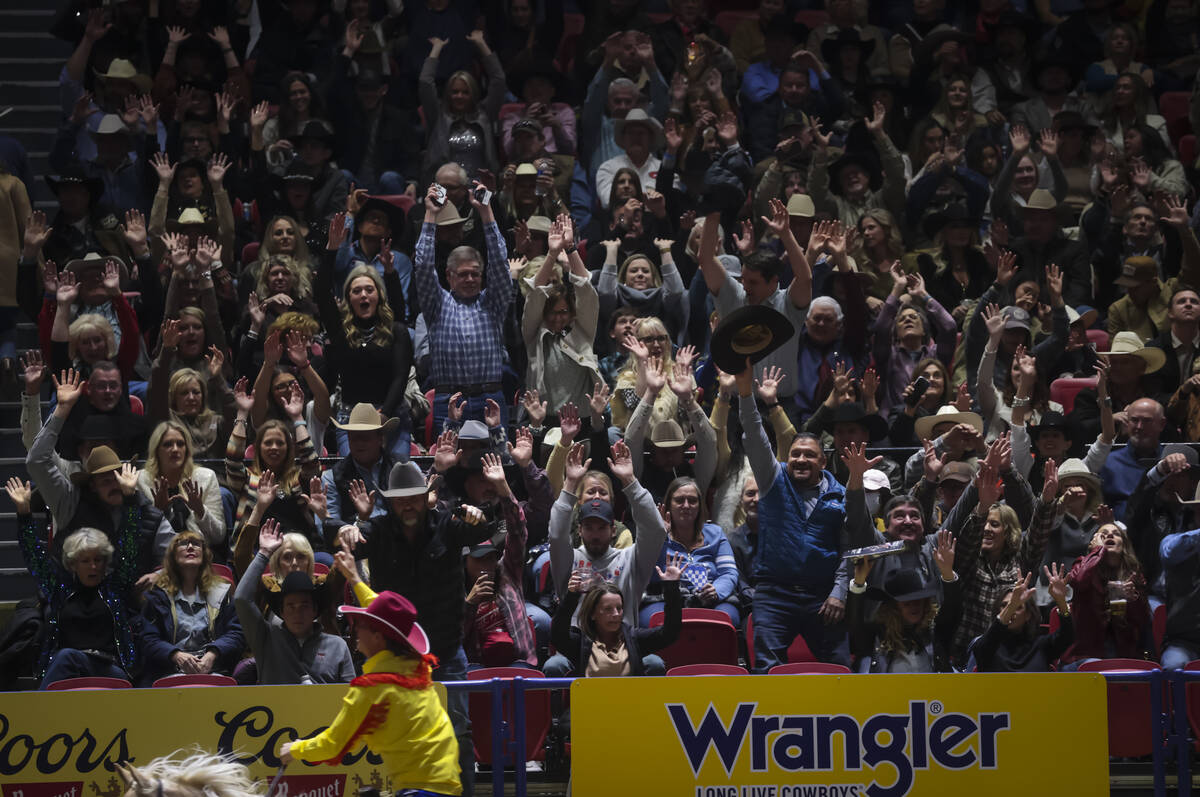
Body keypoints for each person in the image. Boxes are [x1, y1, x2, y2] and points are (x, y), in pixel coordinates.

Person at [334, 460, 493, 795]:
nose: (407, 504)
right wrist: (347, 528)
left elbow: (483, 531)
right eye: (400, 498)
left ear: (425, 497)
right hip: (396, 658)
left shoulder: (447, 526)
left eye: (414, 497)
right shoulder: (376, 530)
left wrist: (481, 516)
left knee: (459, 731)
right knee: (394, 732)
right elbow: (345, 540)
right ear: (390, 502)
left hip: (445, 654)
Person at [280, 549, 461, 797]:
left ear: (377, 637)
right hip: (447, 786)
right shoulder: (417, 664)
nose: (355, 628)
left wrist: (297, 749)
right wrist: (354, 578)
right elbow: (389, 619)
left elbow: (333, 743)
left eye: (361, 624)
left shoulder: (373, 690)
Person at [736, 355, 876, 670]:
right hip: (774, 595)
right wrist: (747, 394)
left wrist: (839, 593)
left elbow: (848, 550)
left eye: (809, 455)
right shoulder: (773, 480)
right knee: (767, 671)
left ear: (823, 462)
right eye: (795, 454)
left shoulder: (841, 495)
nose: (800, 460)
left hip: (822, 596)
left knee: (839, 669)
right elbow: (756, 437)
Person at [7, 469, 142, 688]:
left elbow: (130, 544)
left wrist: (130, 498)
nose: (93, 566)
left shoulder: (114, 588)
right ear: (72, 564)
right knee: (66, 657)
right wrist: (24, 512)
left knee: (72, 659)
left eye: (98, 560)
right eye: (85, 561)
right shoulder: (59, 590)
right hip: (66, 666)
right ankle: (37, 716)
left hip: (110, 666)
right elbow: (35, 558)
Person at [414, 181, 512, 432]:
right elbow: (423, 265)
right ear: (449, 276)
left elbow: (500, 263)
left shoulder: (494, 302)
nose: (470, 279)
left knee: (497, 465)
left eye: (475, 274)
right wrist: (430, 215)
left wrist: (486, 212)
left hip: (491, 398)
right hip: (450, 399)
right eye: (463, 274)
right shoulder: (437, 303)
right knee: (447, 465)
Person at [318, 213, 414, 458]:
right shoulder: (340, 332)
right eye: (356, 290)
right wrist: (331, 249)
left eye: (369, 290)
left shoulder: (396, 330)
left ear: (379, 296)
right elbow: (320, 292)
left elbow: (401, 376)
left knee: (396, 473)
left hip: (391, 415)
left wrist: (383, 415)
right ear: (348, 298)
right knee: (353, 477)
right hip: (351, 418)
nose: (363, 295)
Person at [234, 519, 355, 684]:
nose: (298, 612)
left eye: (304, 605)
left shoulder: (337, 646)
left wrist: (331, 520)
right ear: (281, 611)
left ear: (315, 610)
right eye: (291, 606)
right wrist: (263, 553)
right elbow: (241, 598)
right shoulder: (266, 639)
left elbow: (349, 694)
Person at [552, 552, 685, 677]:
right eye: (608, 609)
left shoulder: (634, 639)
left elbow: (669, 633)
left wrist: (671, 588)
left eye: (619, 608)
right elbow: (557, 635)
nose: (616, 614)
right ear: (592, 614)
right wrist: (572, 596)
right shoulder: (580, 644)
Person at [138, 530, 244, 685]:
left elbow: (237, 634)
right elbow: (147, 639)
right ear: (173, 555)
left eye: (196, 544)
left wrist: (213, 653)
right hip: (168, 670)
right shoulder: (157, 594)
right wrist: (175, 655)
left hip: (213, 669)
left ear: (205, 554)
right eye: (183, 544)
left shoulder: (222, 591)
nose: (190, 547)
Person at [847, 530, 960, 673]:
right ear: (893, 607)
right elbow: (855, 623)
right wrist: (858, 582)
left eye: (919, 600)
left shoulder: (936, 633)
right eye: (906, 602)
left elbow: (953, 611)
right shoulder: (875, 637)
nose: (914, 606)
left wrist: (947, 573)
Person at [640, 477, 741, 627]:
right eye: (679, 500)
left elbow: (729, 572)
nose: (686, 505)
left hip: (711, 598)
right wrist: (660, 536)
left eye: (692, 500)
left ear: (700, 506)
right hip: (664, 597)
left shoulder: (716, 534)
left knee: (726, 619)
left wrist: (716, 590)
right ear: (668, 504)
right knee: (655, 621)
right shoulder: (656, 536)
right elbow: (651, 575)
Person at [1061, 523, 1152, 669]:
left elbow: (1143, 622)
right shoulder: (1081, 565)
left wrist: (1133, 600)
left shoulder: (1134, 575)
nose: (1110, 535)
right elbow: (1079, 580)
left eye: (1116, 533)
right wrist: (1097, 551)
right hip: (1084, 656)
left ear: (1124, 545)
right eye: (1103, 534)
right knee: (1097, 666)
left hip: (1121, 653)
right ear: (1094, 543)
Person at [137, 420, 225, 556]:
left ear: (187, 449)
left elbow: (218, 536)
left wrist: (200, 510)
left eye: (180, 444)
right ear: (156, 450)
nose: (175, 449)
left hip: (199, 557)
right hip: (160, 558)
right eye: (167, 444)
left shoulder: (206, 477)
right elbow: (140, 540)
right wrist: (159, 513)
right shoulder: (142, 480)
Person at [970, 566, 1075, 672]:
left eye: (1018, 606)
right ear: (998, 611)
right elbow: (981, 649)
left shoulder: (1041, 645)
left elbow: (1068, 635)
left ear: (1028, 615)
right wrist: (1011, 606)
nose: (1012, 610)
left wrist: (1061, 601)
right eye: (1005, 605)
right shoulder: (987, 645)